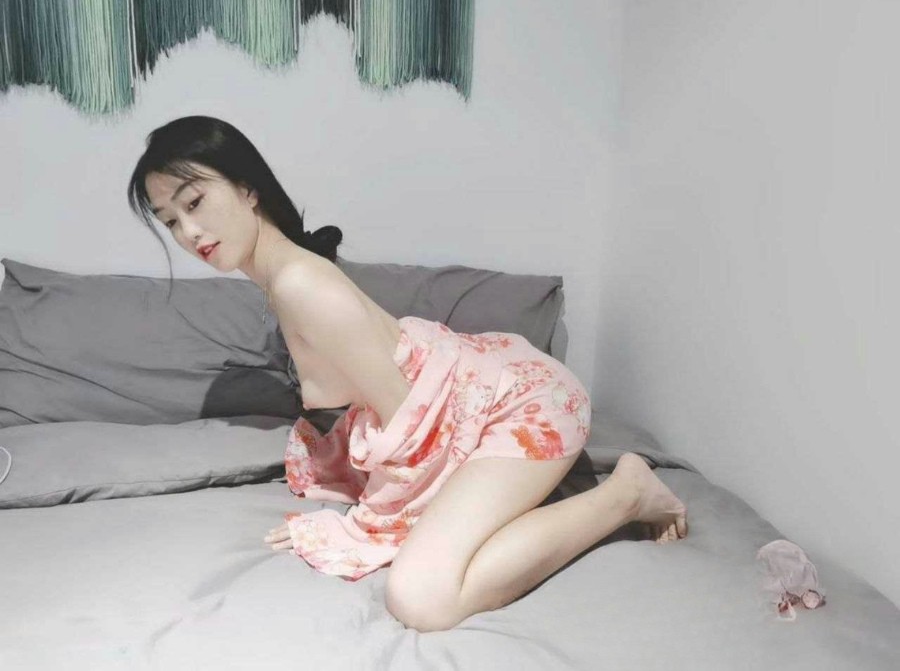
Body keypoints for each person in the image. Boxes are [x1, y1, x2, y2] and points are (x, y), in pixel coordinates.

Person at [127, 115, 689, 633]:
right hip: (474, 398)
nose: (189, 232)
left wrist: (367, 527)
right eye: (171, 220)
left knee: (423, 599)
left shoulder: (299, 283)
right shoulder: (280, 277)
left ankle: (628, 493)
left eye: (195, 202)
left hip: (523, 406)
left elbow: (413, 425)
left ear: (247, 188)